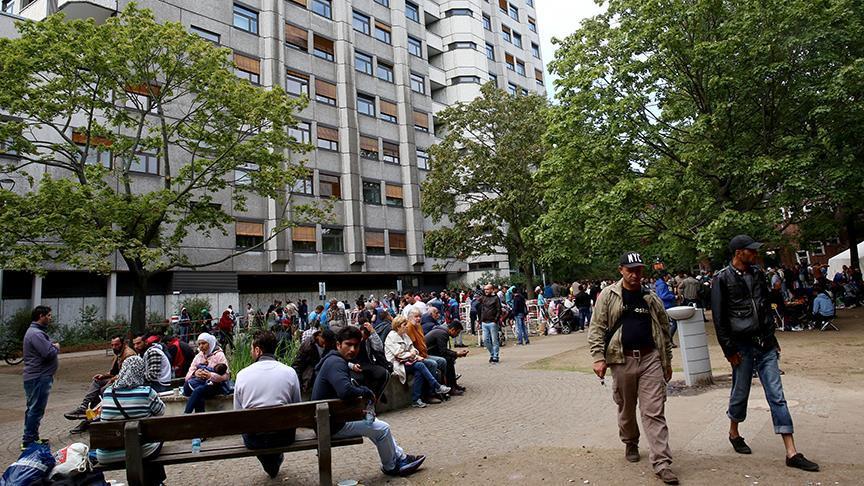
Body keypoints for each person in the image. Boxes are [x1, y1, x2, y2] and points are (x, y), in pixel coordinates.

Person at [711, 235, 819, 472]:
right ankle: (734, 432)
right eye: (751, 250)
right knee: (741, 392)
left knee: (776, 395)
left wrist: (772, 338)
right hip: (741, 346)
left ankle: (791, 452)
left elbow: (765, 308)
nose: (755, 254)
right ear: (738, 252)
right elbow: (719, 319)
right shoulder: (722, 278)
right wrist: (729, 350)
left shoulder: (758, 274)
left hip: (765, 344)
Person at [588, 252, 678, 485]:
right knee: (626, 408)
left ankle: (662, 463)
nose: (635, 274)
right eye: (630, 270)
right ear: (621, 270)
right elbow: (597, 327)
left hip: (650, 359)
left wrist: (666, 361)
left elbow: (664, 331)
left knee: (654, 411)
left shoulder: (651, 298)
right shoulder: (608, 295)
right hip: (621, 359)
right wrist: (598, 357)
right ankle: (630, 441)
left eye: (638, 270)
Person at [312, 326, 426, 477]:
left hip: (330, 419)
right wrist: (367, 392)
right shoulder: (336, 362)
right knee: (382, 429)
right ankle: (391, 466)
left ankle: (401, 457)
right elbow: (345, 391)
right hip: (330, 425)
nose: (352, 349)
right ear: (338, 344)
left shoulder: (333, 360)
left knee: (374, 423)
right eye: (348, 344)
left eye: (356, 345)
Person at [234, 330, 302, 478]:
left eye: (252, 349)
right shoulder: (289, 372)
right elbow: (297, 405)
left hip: (254, 440)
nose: (251, 352)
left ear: (258, 350)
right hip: (284, 437)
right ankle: (273, 463)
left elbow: (237, 412)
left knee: (257, 434)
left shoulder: (242, 375)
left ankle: (271, 465)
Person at [96, 355, 166, 485]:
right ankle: (156, 482)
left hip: (107, 454)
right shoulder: (147, 392)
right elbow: (161, 411)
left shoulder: (108, 392)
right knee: (153, 439)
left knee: (144, 441)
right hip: (143, 451)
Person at [64, 335, 136, 434]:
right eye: (112, 345)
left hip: (124, 382)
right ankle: (84, 407)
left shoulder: (128, 355)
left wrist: (111, 380)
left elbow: (125, 375)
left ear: (123, 344)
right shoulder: (118, 353)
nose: (114, 347)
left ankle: (89, 419)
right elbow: (113, 372)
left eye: (116, 345)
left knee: (103, 391)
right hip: (116, 379)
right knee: (97, 381)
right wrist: (103, 376)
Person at [385, 316, 450, 408]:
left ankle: (421, 397)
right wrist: (412, 354)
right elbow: (399, 354)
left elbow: (412, 348)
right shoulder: (391, 337)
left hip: (410, 360)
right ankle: (436, 386)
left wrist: (414, 353)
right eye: (404, 325)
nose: (406, 326)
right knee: (419, 365)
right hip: (398, 364)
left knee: (431, 364)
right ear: (398, 327)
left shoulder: (404, 335)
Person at [21, 305, 58, 450]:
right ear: (41, 316)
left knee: (33, 408)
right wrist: (56, 347)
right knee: (36, 408)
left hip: (37, 376)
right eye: (48, 315)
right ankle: (29, 440)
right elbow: (48, 353)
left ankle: (32, 437)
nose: (50, 318)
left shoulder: (35, 332)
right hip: (39, 376)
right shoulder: (36, 334)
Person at [183, 333, 230, 414]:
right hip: (197, 384)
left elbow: (226, 376)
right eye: (199, 344)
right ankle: (200, 418)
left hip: (213, 385)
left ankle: (186, 415)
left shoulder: (219, 355)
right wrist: (195, 373)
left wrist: (210, 375)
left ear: (210, 343)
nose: (201, 346)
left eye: (204, 343)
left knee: (198, 391)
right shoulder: (198, 356)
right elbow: (187, 377)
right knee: (197, 392)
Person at [425, 321, 469, 393]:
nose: (457, 335)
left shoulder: (442, 331)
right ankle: (451, 386)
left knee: (450, 359)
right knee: (448, 360)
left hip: (431, 352)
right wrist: (457, 354)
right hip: (427, 354)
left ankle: (453, 384)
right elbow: (443, 351)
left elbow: (442, 350)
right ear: (452, 329)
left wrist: (455, 354)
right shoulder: (442, 333)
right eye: (457, 332)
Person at [292, 329, 336, 393]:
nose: (324, 346)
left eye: (326, 344)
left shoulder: (331, 345)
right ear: (319, 336)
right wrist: (299, 384)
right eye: (323, 342)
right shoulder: (308, 345)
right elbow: (297, 364)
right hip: (309, 380)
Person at [478, 284, 502, 363]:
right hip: (484, 322)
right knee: (485, 340)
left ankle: (495, 356)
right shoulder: (483, 298)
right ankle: (492, 353)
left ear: (492, 289)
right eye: (485, 289)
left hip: (492, 322)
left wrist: (495, 320)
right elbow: (477, 303)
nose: (486, 291)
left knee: (494, 340)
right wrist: (480, 320)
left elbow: (499, 309)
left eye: (487, 289)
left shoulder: (496, 298)